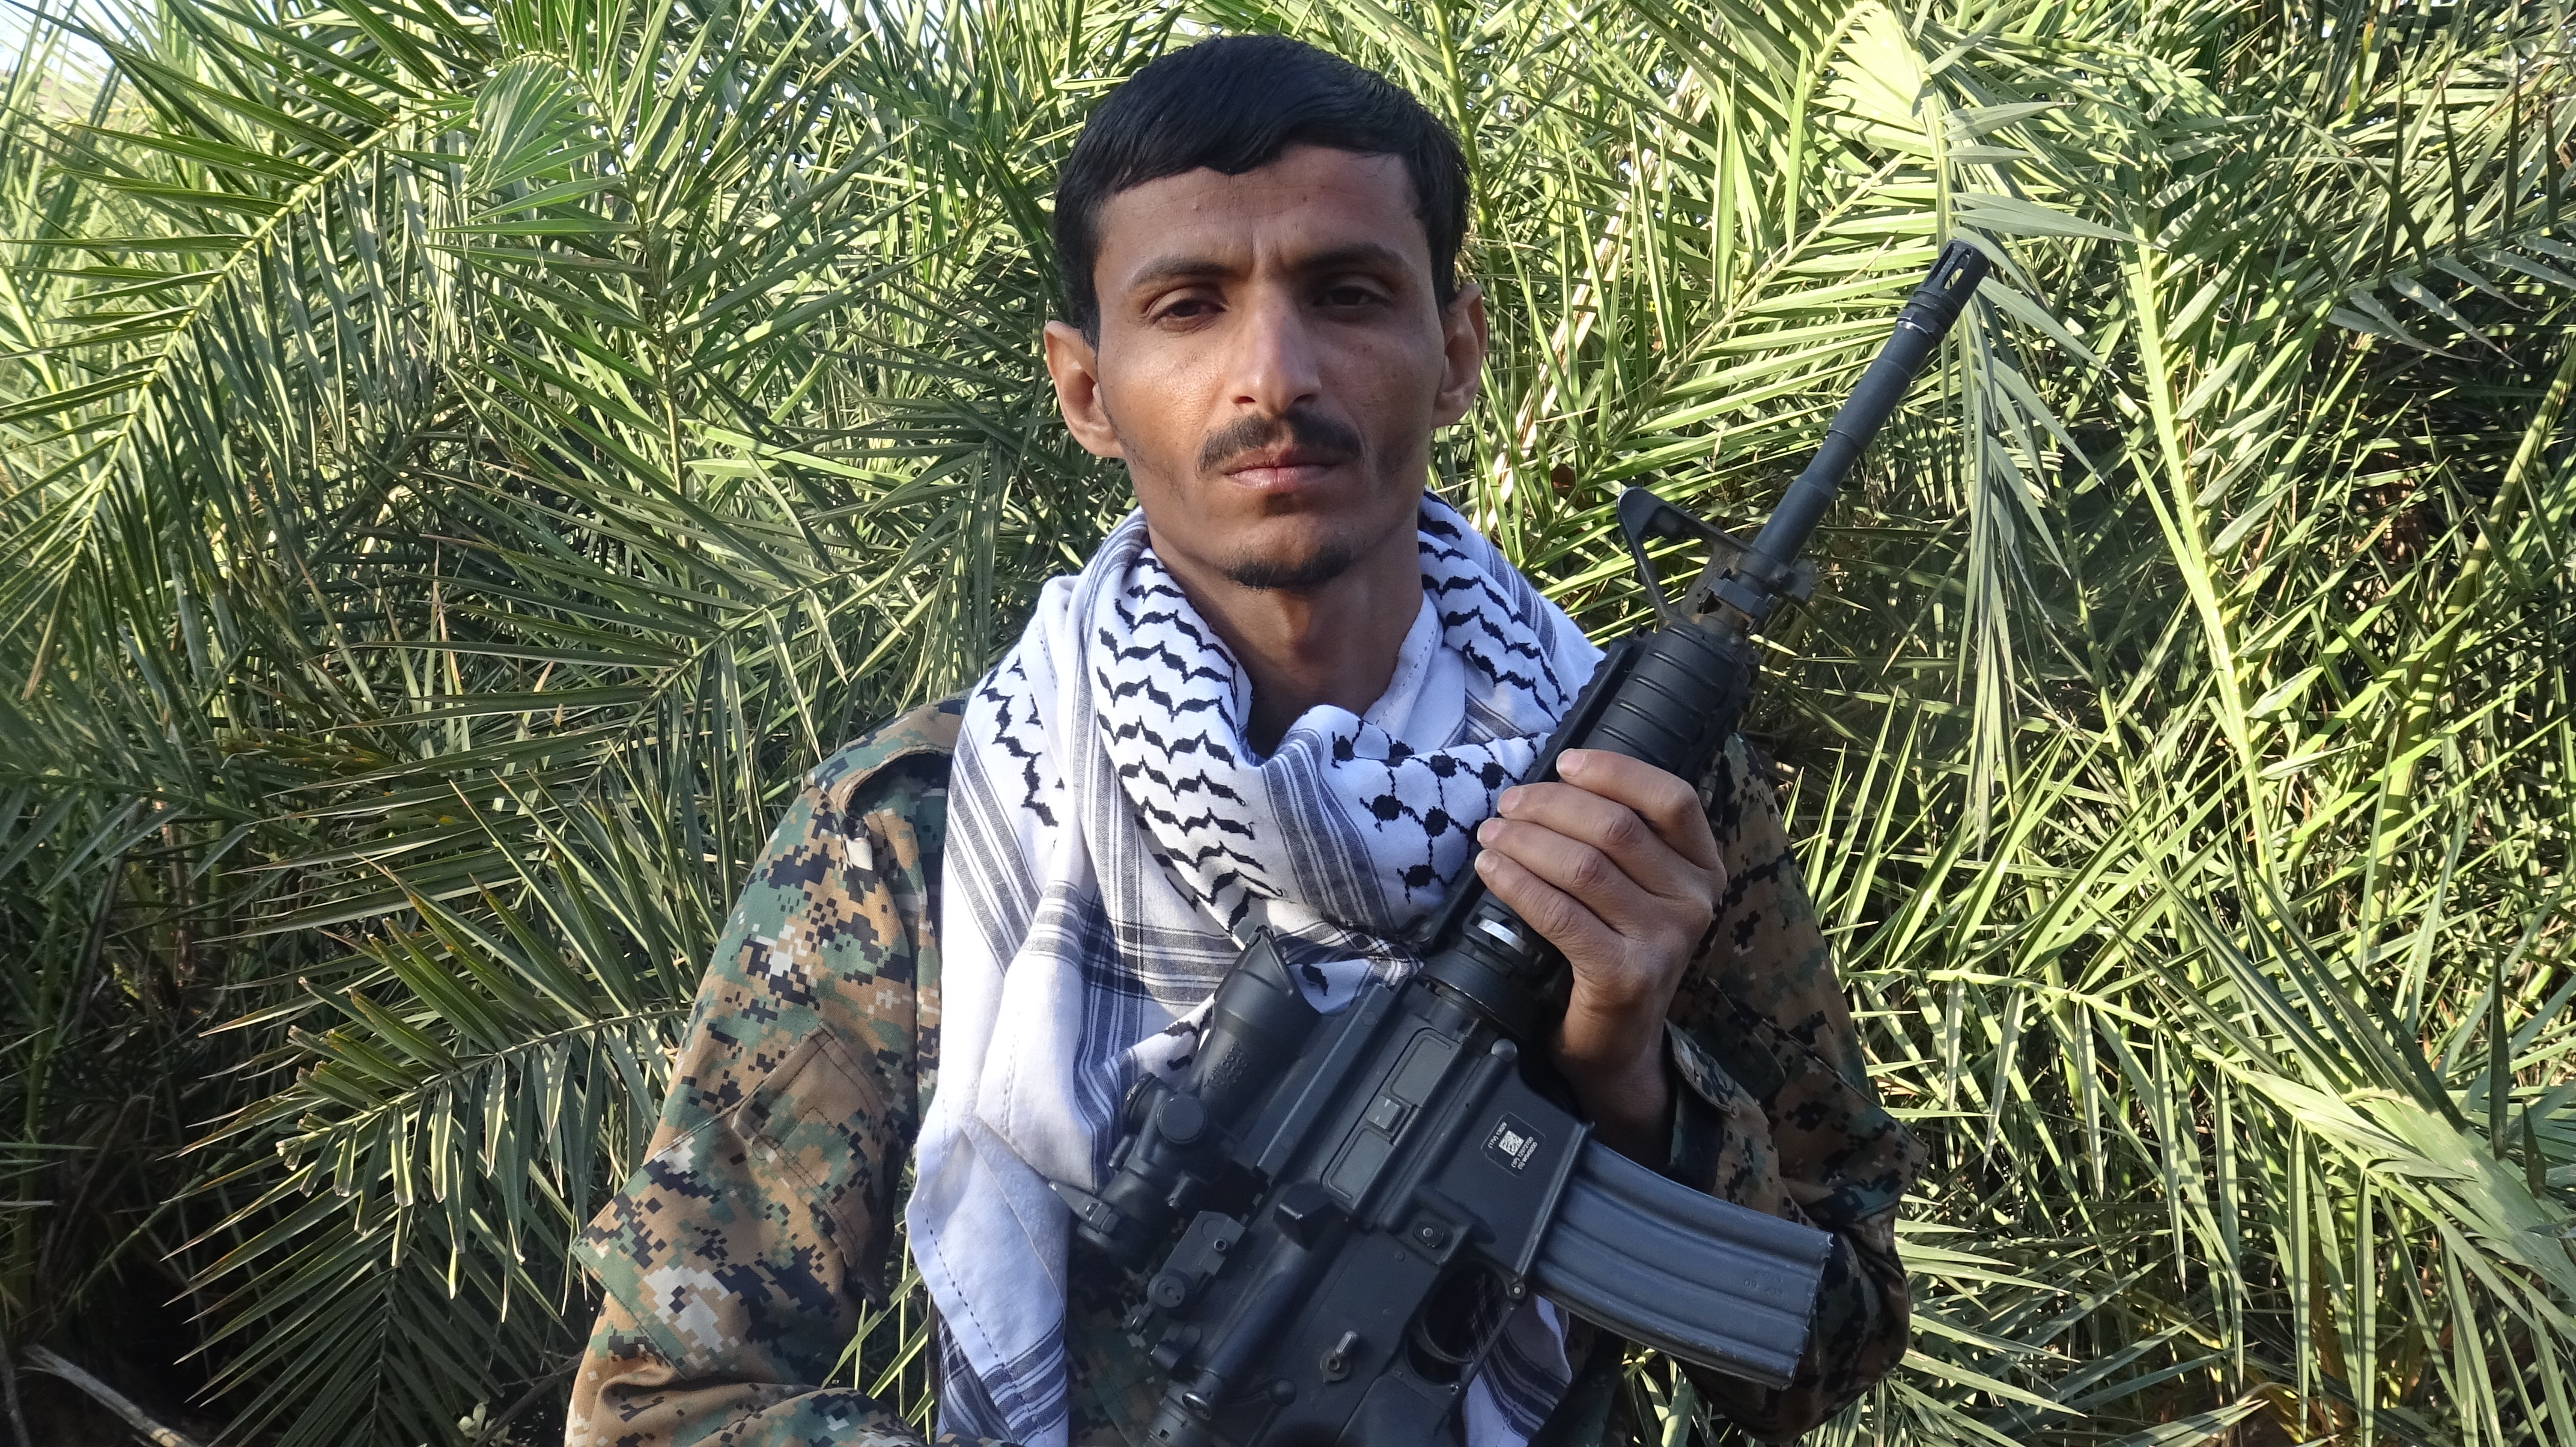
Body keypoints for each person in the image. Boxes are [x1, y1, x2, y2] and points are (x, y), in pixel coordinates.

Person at [565, 34, 1924, 1447]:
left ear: (1454, 353)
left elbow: (1827, 1345)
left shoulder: (1623, 797)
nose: (1272, 376)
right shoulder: (919, 828)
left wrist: (1629, 1085)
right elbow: (662, 1398)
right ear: (1085, 390)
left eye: (1346, 294)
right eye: (1188, 307)